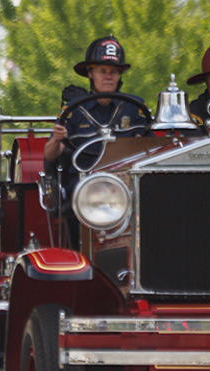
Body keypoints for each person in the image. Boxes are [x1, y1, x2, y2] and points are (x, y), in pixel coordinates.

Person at [43, 36, 148, 247]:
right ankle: (84, 253)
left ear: (120, 75)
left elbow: (147, 147)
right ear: (90, 74)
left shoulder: (134, 108)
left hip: (127, 183)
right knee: (82, 194)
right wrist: (56, 138)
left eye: (113, 72)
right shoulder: (73, 111)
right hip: (85, 182)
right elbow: (50, 154)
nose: (108, 77)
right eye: (103, 71)